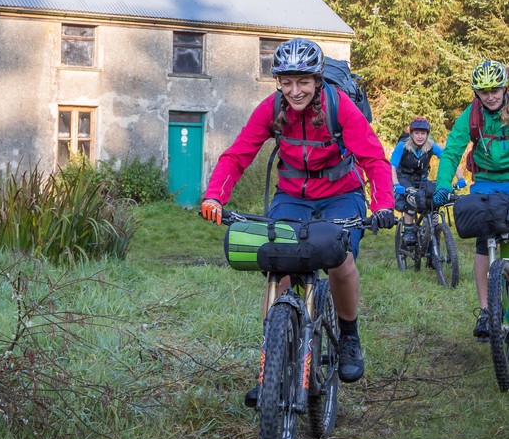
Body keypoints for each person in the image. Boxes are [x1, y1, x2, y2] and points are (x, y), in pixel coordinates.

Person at [200, 38, 395, 402]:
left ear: (317, 79)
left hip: (341, 195)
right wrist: (215, 196)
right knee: (279, 265)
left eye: (303, 81)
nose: (295, 90)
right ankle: (269, 366)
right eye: (286, 82)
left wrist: (384, 204)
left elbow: (373, 159)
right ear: (278, 81)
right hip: (292, 196)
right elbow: (237, 154)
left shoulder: (340, 108)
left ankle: (349, 337)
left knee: (339, 260)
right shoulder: (272, 108)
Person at [433, 59, 509, 342]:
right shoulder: (473, 113)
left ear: (504, 87)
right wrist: (443, 185)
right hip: (485, 182)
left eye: (496, 90)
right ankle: (486, 312)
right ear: (476, 92)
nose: (491, 96)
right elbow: (452, 150)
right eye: (484, 91)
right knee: (483, 239)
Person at [391, 117, 466, 246]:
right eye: (417, 133)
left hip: (421, 180)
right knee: (411, 198)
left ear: (427, 134)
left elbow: (449, 160)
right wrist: (396, 184)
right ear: (411, 134)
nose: (420, 136)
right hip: (404, 179)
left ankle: (429, 236)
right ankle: (408, 230)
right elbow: (392, 167)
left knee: (432, 200)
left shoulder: (431, 146)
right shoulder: (402, 146)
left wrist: (460, 178)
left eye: (423, 133)